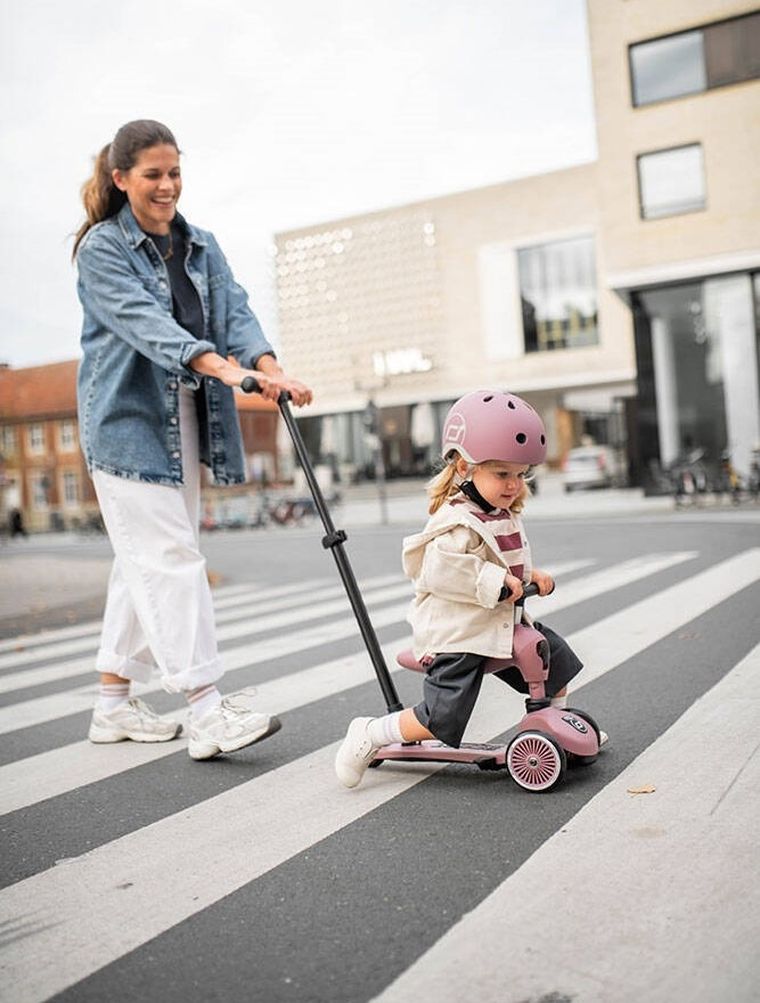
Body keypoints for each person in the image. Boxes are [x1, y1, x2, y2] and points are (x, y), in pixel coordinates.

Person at [73, 119, 312, 760]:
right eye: (153, 174)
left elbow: (235, 312)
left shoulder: (199, 245)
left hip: (185, 422)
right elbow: (149, 328)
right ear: (121, 179)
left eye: (174, 172)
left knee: (144, 560)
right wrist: (224, 368)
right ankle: (206, 711)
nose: (167, 185)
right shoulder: (103, 250)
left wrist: (267, 368)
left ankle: (112, 706)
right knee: (173, 563)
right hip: (126, 427)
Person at [335, 388, 605, 788]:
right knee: (442, 717)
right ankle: (371, 734)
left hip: (499, 624)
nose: (513, 485)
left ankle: (556, 730)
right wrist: (497, 583)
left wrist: (530, 575)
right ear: (464, 466)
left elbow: (506, 562)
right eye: (502, 474)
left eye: (519, 474)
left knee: (555, 664)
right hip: (458, 632)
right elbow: (443, 571)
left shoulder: (500, 512)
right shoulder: (455, 521)